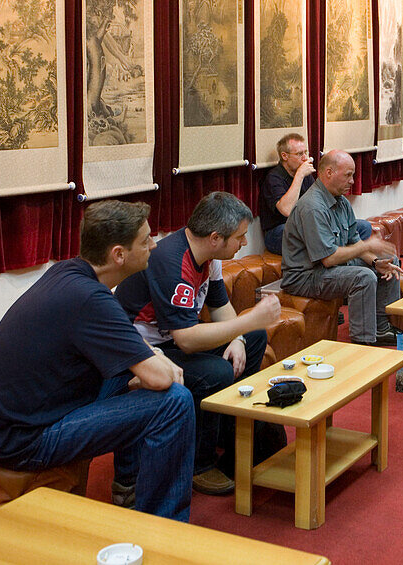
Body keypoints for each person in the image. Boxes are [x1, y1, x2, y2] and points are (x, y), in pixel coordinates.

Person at [0, 200, 195, 522]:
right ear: (119, 254)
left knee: (130, 370)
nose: (154, 245)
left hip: (9, 423)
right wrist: (156, 360)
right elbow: (161, 379)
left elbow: (123, 336)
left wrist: (150, 354)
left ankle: (129, 483)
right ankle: (163, 523)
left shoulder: (70, 273)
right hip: (22, 440)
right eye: (145, 240)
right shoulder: (90, 298)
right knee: (174, 401)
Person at [115, 192, 281, 497]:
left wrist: (240, 336)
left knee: (253, 340)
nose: (245, 244)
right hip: (144, 352)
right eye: (241, 237)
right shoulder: (171, 263)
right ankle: (199, 465)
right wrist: (249, 321)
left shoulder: (209, 256)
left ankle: (228, 429)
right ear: (216, 238)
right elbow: (187, 341)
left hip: (175, 338)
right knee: (216, 372)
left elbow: (220, 308)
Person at [281, 150, 403, 346]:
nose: (353, 181)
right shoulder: (312, 207)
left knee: (390, 264)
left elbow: (354, 241)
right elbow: (328, 258)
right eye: (348, 175)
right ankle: (362, 344)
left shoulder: (342, 202)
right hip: (305, 276)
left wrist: (375, 261)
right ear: (328, 172)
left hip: (328, 268)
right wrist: (367, 245)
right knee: (363, 278)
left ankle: (380, 327)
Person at [259, 133, 371, 255]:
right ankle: (334, 260)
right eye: (299, 154)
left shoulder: (305, 174)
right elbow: (287, 210)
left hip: (308, 224)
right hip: (279, 232)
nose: (305, 158)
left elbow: (319, 199)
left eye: (305, 152)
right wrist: (300, 175)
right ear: (284, 156)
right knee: (317, 231)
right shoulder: (274, 178)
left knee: (364, 227)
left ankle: (342, 261)